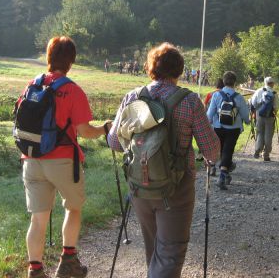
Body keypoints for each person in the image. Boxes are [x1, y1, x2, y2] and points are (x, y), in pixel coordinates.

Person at [107, 42, 220, 278]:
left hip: (139, 185)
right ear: (179, 70)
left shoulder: (132, 97)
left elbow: (115, 143)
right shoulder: (189, 101)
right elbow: (211, 151)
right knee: (169, 253)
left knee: (154, 249)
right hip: (176, 188)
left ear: (151, 68)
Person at [20, 36, 112, 278]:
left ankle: (35, 270)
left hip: (30, 159)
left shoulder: (32, 85)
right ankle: (68, 260)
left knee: (38, 220)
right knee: (73, 208)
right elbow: (85, 132)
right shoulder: (71, 90)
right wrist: (105, 128)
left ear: (48, 57)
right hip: (62, 160)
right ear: (71, 61)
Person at [206, 71, 250, 189]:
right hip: (233, 128)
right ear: (234, 82)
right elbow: (245, 115)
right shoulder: (239, 97)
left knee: (220, 149)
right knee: (228, 150)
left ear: (224, 81)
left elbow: (210, 114)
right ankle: (223, 174)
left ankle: (218, 168)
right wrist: (247, 121)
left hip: (218, 127)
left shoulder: (216, 95)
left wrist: (208, 123)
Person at [249, 76, 279, 161]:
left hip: (259, 114)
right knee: (268, 134)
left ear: (265, 83)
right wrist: (274, 111)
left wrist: (257, 110)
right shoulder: (274, 93)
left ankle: (257, 150)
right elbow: (277, 106)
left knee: (259, 133)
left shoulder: (259, 91)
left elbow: (253, 102)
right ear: (272, 84)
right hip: (270, 116)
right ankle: (266, 154)